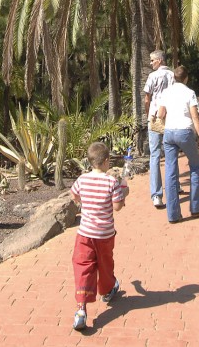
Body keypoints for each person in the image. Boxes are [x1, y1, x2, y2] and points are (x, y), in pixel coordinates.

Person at [68, 141, 129, 330]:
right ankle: (107, 289)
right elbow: (118, 207)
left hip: (85, 233)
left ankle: (81, 309)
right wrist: (125, 192)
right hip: (104, 234)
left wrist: (83, 203)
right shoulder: (111, 182)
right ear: (106, 161)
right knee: (104, 264)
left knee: (83, 266)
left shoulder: (82, 179)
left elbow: (74, 195)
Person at [155, 66, 199, 224]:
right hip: (185, 132)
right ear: (186, 78)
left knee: (170, 172)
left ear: (174, 78)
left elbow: (161, 114)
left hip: (169, 133)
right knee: (195, 167)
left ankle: (173, 215)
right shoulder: (189, 93)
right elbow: (195, 117)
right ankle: (196, 207)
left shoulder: (166, 92)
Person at [142, 48, 174, 209]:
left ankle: (156, 195)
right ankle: (173, 188)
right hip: (170, 118)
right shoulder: (173, 75)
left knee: (154, 155)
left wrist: (149, 113)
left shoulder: (152, 76)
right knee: (170, 154)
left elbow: (147, 97)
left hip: (154, 118)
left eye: (152, 60)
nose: (150, 63)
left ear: (160, 60)